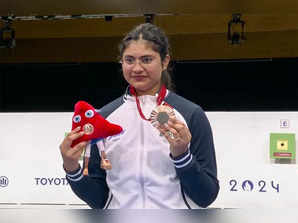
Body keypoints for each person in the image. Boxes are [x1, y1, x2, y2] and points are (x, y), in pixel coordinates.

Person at [59, 23, 219, 209]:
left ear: (165, 61)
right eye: (129, 60)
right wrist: (71, 168)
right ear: (121, 62)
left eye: (146, 59)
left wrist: (182, 156)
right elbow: (99, 200)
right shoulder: (104, 117)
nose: (136, 68)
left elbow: (206, 196)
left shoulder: (191, 115)